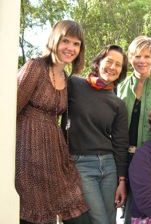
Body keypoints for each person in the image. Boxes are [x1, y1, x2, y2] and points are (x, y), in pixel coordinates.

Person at [16, 20, 91, 224]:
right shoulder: (35, 67)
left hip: (53, 154)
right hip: (27, 152)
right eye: (66, 41)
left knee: (76, 206)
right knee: (35, 213)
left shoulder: (66, 78)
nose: (71, 48)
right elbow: (10, 108)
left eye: (76, 44)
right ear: (54, 40)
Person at [61, 45, 129, 224]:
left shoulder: (118, 103)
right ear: (98, 62)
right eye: (109, 62)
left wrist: (122, 180)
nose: (113, 67)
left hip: (109, 166)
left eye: (118, 65)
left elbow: (121, 143)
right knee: (100, 220)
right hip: (81, 164)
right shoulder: (75, 84)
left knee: (110, 219)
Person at [117, 35, 151, 224]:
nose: (142, 61)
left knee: (148, 211)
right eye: (137, 56)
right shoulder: (119, 87)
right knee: (127, 211)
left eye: (147, 56)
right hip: (125, 157)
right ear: (130, 57)